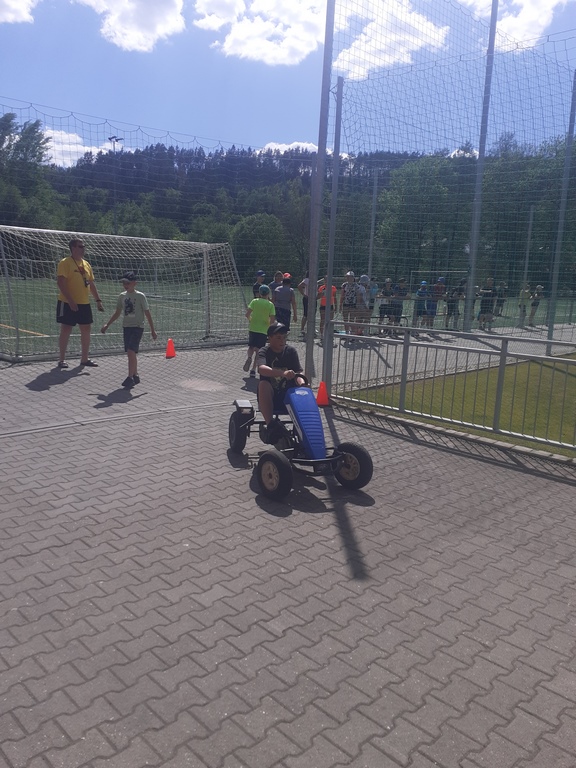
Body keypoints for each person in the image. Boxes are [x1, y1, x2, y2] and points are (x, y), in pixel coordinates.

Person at [100, 272, 157, 388]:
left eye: (128, 283)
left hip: (137, 327)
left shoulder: (140, 296)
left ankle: (130, 377)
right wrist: (107, 324)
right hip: (126, 327)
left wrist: (153, 330)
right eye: (124, 283)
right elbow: (117, 312)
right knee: (131, 353)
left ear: (134, 283)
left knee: (131, 351)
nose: (125, 285)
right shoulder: (122, 296)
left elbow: (147, 313)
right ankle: (135, 375)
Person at [56, 237, 104, 369]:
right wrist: (71, 301)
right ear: (73, 248)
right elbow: (60, 283)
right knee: (66, 329)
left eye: (84, 247)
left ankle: (84, 359)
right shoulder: (65, 262)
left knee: (86, 329)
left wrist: (98, 300)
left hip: (84, 302)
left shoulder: (86, 264)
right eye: (80, 246)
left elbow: (91, 283)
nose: (83, 249)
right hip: (67, 302)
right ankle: (61, 359)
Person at [257, 322, 306, 442]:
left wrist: (302, 384)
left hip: (286, 395)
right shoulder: (264, 351)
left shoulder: (291, 351)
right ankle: (271, 426)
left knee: (302, 391)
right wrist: (282, 373)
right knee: (263, 384)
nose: (282, 341)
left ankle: (306, 429)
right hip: (270, 396)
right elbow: (261, 369)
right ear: (270, 338)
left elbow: (298, 373)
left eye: (284, 337)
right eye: (278, 338)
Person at [243, 284, 276, 377]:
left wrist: (251, 320)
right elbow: (272, 320)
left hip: (253, 327)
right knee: (259, 350)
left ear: (259, 293)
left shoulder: (254, 301)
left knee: (251, 347)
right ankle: (253, 370)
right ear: (268, 294)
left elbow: (247, 314)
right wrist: (269, 327)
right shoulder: (270, 305)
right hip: (263, 330)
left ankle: (249, 357)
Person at [317, 276, 337, 342]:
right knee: (322, 320)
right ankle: (321, 334)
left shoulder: (333, 288)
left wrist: (336, 306)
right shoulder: (321, 287)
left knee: (331, 321)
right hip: (323, 306)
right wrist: (321, 294)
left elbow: (335, 297)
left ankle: (329, 334)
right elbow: (318, 296)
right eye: (325, 280)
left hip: (330, 306)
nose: (326, 281)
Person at [297, 272, 310, 337]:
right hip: (307, 299)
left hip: (313, 299)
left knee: (312, 314)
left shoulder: (314, 280)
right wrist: (304, 294)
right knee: (306, 314)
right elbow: (299, 286)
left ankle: (310, 329)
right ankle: (302, 329)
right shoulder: (307, 280)